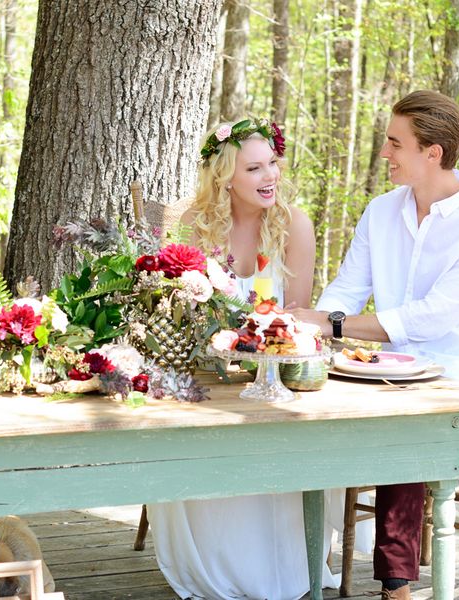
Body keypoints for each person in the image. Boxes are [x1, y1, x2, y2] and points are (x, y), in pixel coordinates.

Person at [292, 90, 459, 600]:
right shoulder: (380, 212)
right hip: (399, 373)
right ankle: (397, 586)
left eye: (394, 143)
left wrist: (335, 325)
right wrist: (313, 323)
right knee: (407, 422)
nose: (384, 153)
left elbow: (433, 318)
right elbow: (347, 288)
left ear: (432, 153)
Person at [146, 117, 352, 600]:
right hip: (208, 376)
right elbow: (178, 311)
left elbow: (297, 313)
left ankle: (288, 560)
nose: (270, 177)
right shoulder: (195, 226)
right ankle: (216, 562)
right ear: (225, 178)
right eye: (255, 168)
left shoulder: (292, 225)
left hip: (270, 375)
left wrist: (262, 340)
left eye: (273, 164)